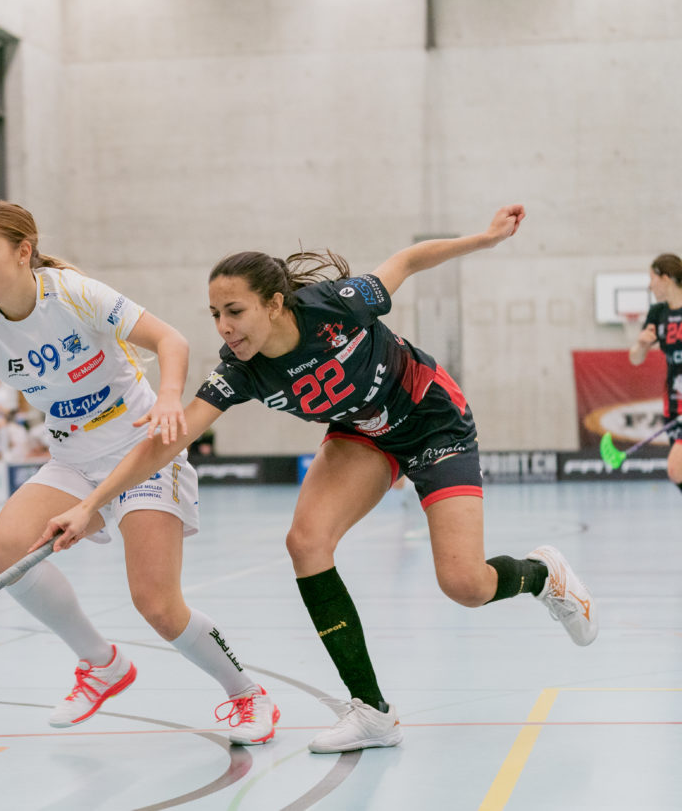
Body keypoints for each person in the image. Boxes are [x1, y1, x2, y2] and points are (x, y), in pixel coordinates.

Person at [37, 204, 599, 754]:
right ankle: (372, 712)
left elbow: (405, 261)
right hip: (362, 435)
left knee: (466, 586)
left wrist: (483, 239)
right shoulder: (242, 370)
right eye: (214, 314)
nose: (224, 327)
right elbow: (168, 441)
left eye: (234, 310)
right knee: (306, 543)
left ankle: (543, 575)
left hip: (432, 421)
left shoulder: (337, 305)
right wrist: (92, 506)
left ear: (276, 304)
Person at [0, 200, 278, 745]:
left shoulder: (74, 294)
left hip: (142, 452)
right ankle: (102, 664)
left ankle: (247, 695)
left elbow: (171, 339)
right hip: (73, 461)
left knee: (156, 604)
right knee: (6, 547)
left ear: (23, 251)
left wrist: (170, 398)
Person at [628, 254, 682, 492]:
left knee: (676, 469)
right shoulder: (657, 313)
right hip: (673, 405)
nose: (649, 285)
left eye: (652, 278)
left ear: (666, 278)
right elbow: (635, 359)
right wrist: (641, 344)